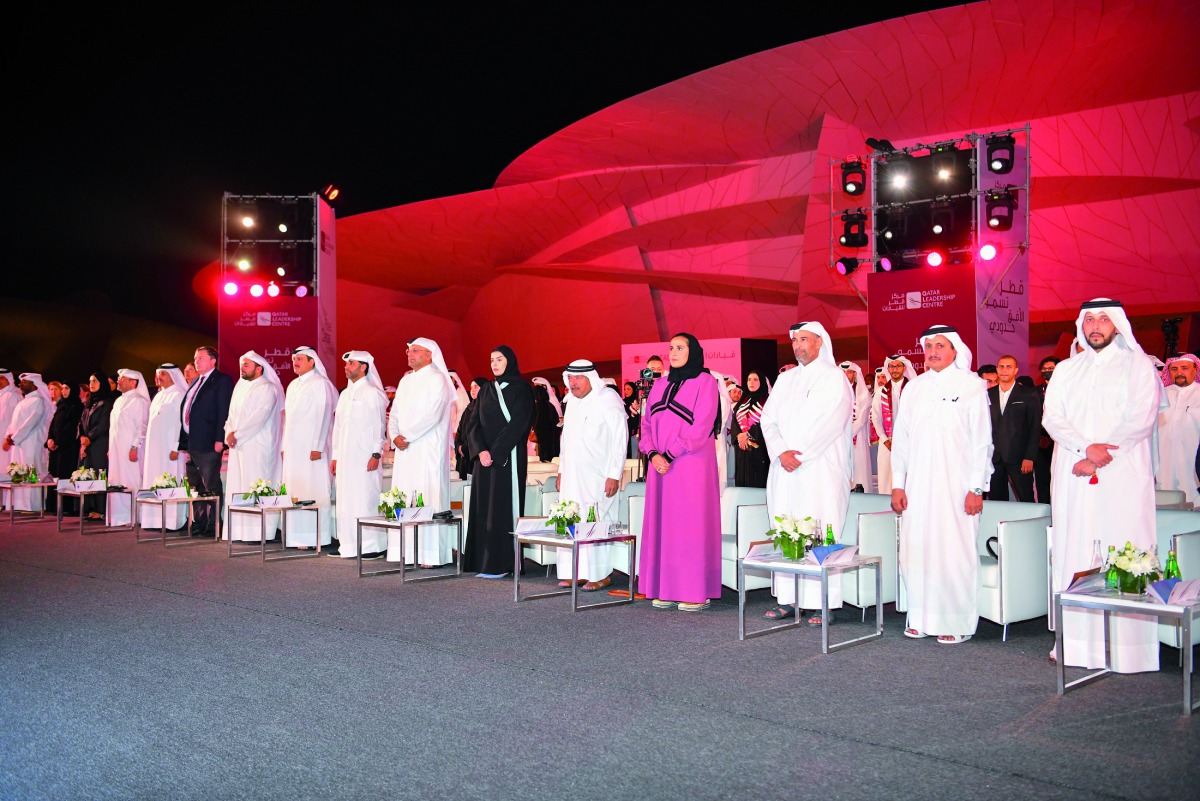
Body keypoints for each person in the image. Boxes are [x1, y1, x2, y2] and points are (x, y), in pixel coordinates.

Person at [1044, 299, 1162, 672]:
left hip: (1121, 472)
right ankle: (1075, 643)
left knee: (1124, 547)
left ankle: (1128, 648)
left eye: (1104, 319)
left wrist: (1096, 455)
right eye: (1090, 319)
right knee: (1074, 550)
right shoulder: (1066, 368)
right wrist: (1083, 448)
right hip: (1072, 471)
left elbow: (1140, 419)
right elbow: (1053, 418)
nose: (1096, 325)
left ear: (1118, 325)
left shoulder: (1139, 366)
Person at [890, 325, 992, 645]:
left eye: (940, 345)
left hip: (957, 487)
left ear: (954, 350)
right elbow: (902, 441)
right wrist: (897, 484)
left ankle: (956, 620)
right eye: (928, 345)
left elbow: (982, 443)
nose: (932, 351)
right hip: (917, 487)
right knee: (915, 550)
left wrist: (976, 488)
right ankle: (920, 617)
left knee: (953, 552)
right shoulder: (914, 388)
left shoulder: (972, 386)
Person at [759, 323, 853, 624]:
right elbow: (768, 421)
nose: (798, 346)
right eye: (795, 341)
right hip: (785, 469)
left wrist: (801, 455)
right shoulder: (785, 379)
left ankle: (822, 603)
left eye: (804, 340)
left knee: (821, 529)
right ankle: (788, 599)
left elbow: (834, 423)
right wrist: (780, 452)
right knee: (786, 528)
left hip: (820, 470)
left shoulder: (835, 377)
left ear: (819, 342)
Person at [638, 332, 721, 612]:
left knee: (690, 526)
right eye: (671, 348)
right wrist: (653, 454)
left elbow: (702, 426)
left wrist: (670, 454)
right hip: (660, 468)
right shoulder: (659, 385)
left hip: (690, 465)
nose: (673, 353)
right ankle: (667, 588)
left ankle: (695, 591)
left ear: (693, 352)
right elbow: (646, 425)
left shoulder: (706, 382)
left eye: (680, 348)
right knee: (665, 526)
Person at [555, 360, 629, 591]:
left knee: (597, 521)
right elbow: (565, 441)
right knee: (568, 519)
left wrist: (614, 474)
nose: (573, 383)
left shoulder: (608, 399)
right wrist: (560, 470)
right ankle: (572, 571)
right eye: (570, 379)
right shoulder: (571, 403)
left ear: (591, 378)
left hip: (598, 477)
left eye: (578, 378)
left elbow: (620, 438)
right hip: (571, 476)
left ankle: (600, 574)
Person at [463, 346, 534, 577]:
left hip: (507, 457)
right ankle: (481, 562)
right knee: (483, 507)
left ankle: (503, 563)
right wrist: (481, 451)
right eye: (492, 359)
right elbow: (473, 424)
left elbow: (519, 424)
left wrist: (495, 451)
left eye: (499, 359)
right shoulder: (485, 390)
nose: (494, 364)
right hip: (484, 460)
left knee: (503, 507)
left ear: (509, 361)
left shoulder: (522, 389)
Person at [387, 337, 456, 567]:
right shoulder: (405, 382)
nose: (410, 354)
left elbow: (433, 416)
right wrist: (394, 435)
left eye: (415, 350)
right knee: (404, 495)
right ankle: (405, 551)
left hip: (427, 450)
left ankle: (430, 554)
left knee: (428, 497)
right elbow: (394, 413)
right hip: (405, 450)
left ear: (429, 355)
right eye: (408, 350)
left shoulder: (438, 380)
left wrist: (405, 437)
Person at [331, 350, 389, 559]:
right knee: (346, 499)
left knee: (365, 498)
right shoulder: (345, 394)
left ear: (363, 367)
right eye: (346, 363)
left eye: (351, 363)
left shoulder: (372, 392)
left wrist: (376, 453)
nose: (346, 366)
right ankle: (348, 545)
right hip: (346, 459)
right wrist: (335, 456)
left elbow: (378, 425)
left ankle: (372, 546)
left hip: (365, 457)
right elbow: (337, 427)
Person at [223, 351, 284, 542]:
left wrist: (237, 435)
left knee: (256, 484)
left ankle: (258, 533)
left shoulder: (268, 388)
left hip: (258, 445)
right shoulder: (240, 387)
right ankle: (240, 531)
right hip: (239, 446)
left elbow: (259, 417)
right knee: (238, 485)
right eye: (242, 365)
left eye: (246, 365)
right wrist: (229, 433)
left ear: (259, 368)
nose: (242, 368)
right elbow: (231, 415)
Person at [281, 346, 337, 550]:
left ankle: (316, 537)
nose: (295, 362)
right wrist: (284, 445)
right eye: (294, 358)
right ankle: (296, 537)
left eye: (300, 359)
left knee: (313, 489)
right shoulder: (293, 385)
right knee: (296, 490)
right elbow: (287, 420)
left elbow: (324, 416)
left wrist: (318, 446)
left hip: (312, 449)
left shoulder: (320, 384)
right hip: (294, 449)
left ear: (312, 361)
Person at [178, 347, 235, 537]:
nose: (196, 361)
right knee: (196, 487)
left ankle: (214, 525)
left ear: (213, 361)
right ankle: (199, 523)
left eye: (201, 358)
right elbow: (188, 410)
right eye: (195, 358)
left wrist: (220, 438)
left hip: (209, 442)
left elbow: (223, 410)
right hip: (192, 443)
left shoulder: (221, 380)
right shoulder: (196, 381)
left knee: (211, 485)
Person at [985, 354, 1042, 502]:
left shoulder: (1029, 394)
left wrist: (1029, 457)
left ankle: (1030, 524)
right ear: (997, 369)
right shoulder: (987, 394)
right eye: (1001, 367)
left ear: (1016, 370)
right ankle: (998, 525)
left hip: (1020, 457)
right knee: (996, 499)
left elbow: (1034, 427)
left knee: (1026, 497)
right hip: (994, 457)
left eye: (1008, 367)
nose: (1004, 370)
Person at [141, 365, 187, 530]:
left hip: (170, 449)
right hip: (154, 449)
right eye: (158, 373)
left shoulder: (178, 394)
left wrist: (176, 446)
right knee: (153, 478)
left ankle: (172, 521)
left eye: (163, 374)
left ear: (173, 376)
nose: (159, 377)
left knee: (171, 479)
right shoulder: (158, 395)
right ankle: (153, 520)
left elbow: (180, 423)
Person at [104, 369, 150, 525]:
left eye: (122, 378)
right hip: (117, 449)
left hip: (131, 449)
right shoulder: (118, 401)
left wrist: (134, 446)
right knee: (116, 480)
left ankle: (134, 516)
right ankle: (119, 517)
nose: (119, 381)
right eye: (118, 378)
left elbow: (141, 426)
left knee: (131, 480)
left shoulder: (139, 401)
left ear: (133, 382)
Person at [1155, 353, 1200, 506]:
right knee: (1164, 499)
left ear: (1195, 370)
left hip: (1193, 463)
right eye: (1174, 369)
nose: (1179, 372)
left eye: (1185, 368)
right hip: (1163, 461)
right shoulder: (1160, 394)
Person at [3, 374, 52, 511]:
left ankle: (33, 506)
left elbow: (30, 423)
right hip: (18, 444)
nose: (21, 384)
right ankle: (19, 504)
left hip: (31, 443)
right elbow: (13, 423)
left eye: (25, 382)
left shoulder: (38, 401)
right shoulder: (23, 402)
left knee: (31, 473)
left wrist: (13, 438)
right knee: (18, 472)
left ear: (34, 384)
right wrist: (8, 436)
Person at [870, 354, 916, 493]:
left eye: (898, 366)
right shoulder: (881, 392)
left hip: (909, 442)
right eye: (891, 367)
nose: (895, 369)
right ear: (888, 369)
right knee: (886, 480)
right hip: (887, 443)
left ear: (904, 368)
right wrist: (884, 439)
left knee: (909, 479)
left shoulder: (913, 389)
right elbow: (876, 419)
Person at [78, 372, 116, 519]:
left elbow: (103, 424)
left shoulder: (107, 402)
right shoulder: (89, 402)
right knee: (88, 473)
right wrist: (82, 437)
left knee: (99, 474)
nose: (91, 384)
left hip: (100, 443)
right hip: (88, 444)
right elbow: (81, 422)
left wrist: (89, 438)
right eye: (90, 381)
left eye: (95, 381)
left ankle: (100, 510)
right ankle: (90, 508)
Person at [45, 380, 82, 511]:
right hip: (57, 448)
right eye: (63, 388)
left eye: (67, 388)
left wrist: (59, 441)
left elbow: (71, 428)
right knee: (55, 475)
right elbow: (53, 424)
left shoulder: (76, 406)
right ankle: (53, 506)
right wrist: (50, 439)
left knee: (66, 475)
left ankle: (66, 507)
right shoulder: (62, 405)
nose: (64, 391)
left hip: (68, 448)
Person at [729, 370, 770, 488]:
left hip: (759, 449)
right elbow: (735, 420)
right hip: (742, 449)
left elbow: (767, 422)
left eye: (755, 380)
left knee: (758, 481)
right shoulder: (742, 401)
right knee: (742, 481)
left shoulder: (767, 401)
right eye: (749, 379)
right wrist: (739, 436)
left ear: (761, 382)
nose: (751, 382)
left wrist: (748, 434)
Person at [840, 361, 872, 493]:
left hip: (857, 439)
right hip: (839, 439)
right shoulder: (835, 393)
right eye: (843, 372)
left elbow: (861, 420)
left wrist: (847, 434)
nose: (846, 375)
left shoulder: (863, 394)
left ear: (855, 374)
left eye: (849, 372)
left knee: (859, 471)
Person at [1033, 356, 1060, 503]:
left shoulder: (1066, 390)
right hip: (1039, 443)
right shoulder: (1034, 392)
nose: (1047, 371)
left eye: (1051, 369)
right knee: (1042, 480)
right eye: (1045, 369)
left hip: (1060, 442)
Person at [454, 377, 486, 479]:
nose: (472, 389)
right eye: (471, 387)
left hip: (475, 456)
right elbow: (460, 430)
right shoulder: (469, 408)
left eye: (476, 386)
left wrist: (464, 448)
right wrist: (458, 446)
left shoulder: (485, 408)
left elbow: (478, 432)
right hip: (463, 457)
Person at [709, 370, 734, 489]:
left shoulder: (723, 400)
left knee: (718, 466)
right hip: (701, 440)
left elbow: (722, 422)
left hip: (716, 438)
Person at [529, 379, 561, 462]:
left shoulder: (538, 406)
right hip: (553, 441)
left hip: (543, 442)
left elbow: (537, 424)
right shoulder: (551, 405)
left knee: (542, 463)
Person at [0, 370, 21, 480]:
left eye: (2, 378)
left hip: (6, 440)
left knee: (5, 469)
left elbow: (16, 420)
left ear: (9, 380)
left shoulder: (13, 396)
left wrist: (9, 438)